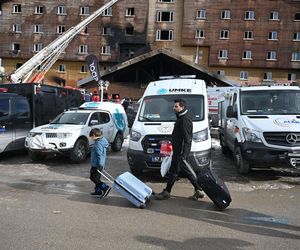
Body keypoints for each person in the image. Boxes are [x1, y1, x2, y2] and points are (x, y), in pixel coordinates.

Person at [154, 99, 205, 200]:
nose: (174, 108)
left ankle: (199, 189)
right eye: (174, 106)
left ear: (182, 107)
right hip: (178, 151)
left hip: (181, 152)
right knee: (174, 171)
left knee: (186, 171)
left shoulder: (184, 120)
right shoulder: (181, 117)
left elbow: (187, 138)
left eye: (176, 106)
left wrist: (183, 154)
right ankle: (167, 192)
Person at [89, 128, 111, 197]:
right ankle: (98, 191)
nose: (91, 138)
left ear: (94, 135)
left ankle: (105, 187)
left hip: (97, 165)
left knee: (93, 177)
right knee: (97, 178)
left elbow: (99, 155)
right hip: (99, 164)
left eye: (91, 136)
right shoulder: (102, 141)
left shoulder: (98, 143)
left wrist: (100, 165)